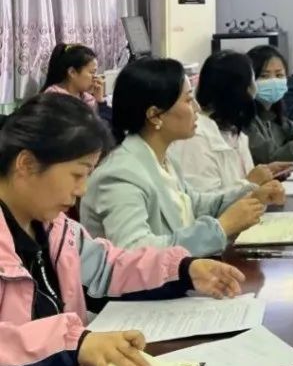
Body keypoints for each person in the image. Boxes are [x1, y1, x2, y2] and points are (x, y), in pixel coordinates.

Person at [0, 94, 245, 366]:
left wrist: (183, 270)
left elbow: (108, 269)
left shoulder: (56, 229)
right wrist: (75, 343)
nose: (82, 189)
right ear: (26, 164)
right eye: (77, 174)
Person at [81, 59, 280, 257]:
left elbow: (195, 205)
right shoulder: (120, 175)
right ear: (155, 115)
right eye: (188, 100)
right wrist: (222, 227)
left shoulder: (163, 158)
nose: (197, 108)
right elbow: (135, 252)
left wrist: (250, 195)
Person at [168, 51, 292, 192]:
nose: (254, 92)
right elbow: (205, 200)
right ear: (238, 91)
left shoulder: (233, 130)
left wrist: (265, 176)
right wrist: (250, 182)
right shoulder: (197, 138)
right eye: (252, 83)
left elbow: (241, 182)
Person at [41, 43, 107, 113]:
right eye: (92, 72)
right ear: (72, 72)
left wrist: (99, 100)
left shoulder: (86, 97)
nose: (95, 77)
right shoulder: (54, 98)